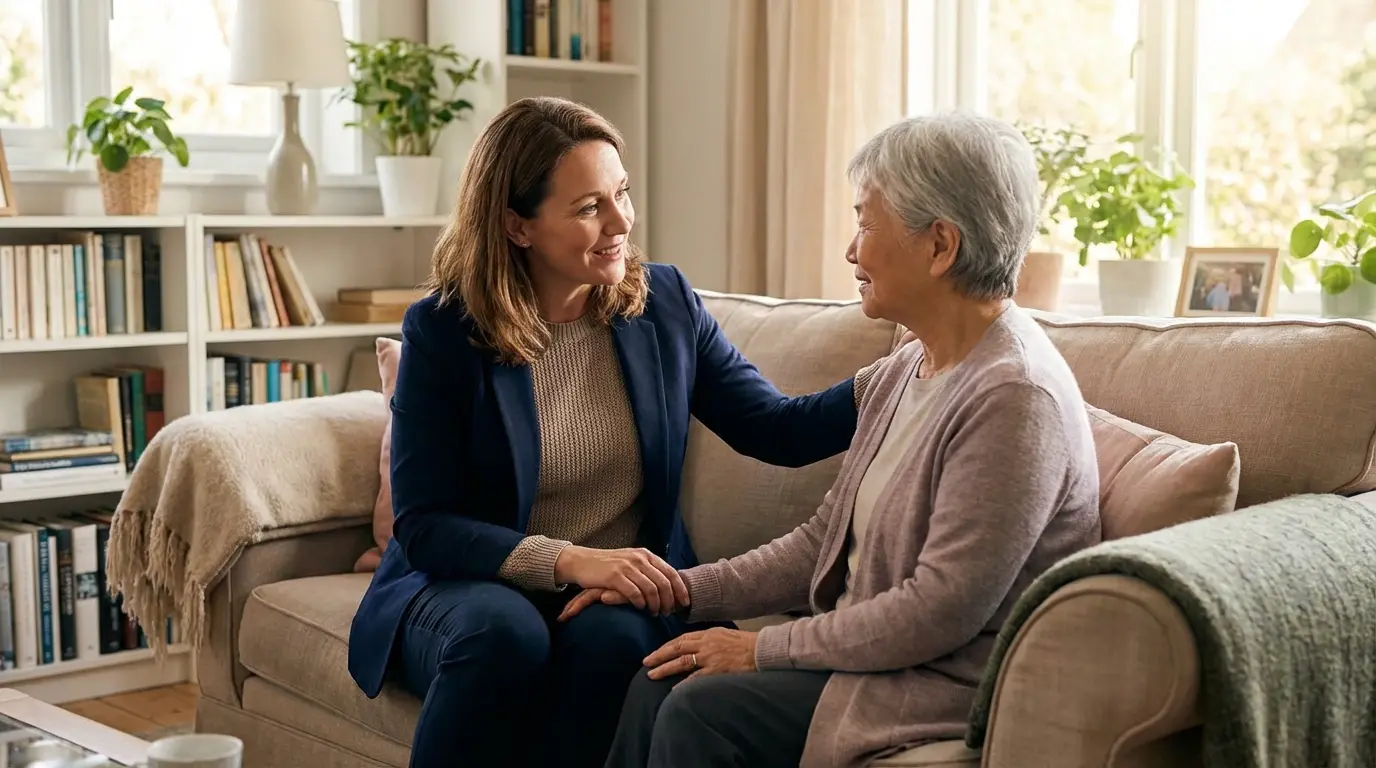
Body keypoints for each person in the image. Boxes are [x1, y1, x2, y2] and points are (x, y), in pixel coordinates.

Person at [346, 96, 879, 768]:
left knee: (618, 642)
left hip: (613, 588)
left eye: (621, 193)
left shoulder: (664, 303)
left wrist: (896, 374)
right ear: (517, 226)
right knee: (504, 634)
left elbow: (775, 429)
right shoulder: (446, 330)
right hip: (465, 582)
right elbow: (425, 524)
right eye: (589, 207)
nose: (621, 221)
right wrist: (570, 558)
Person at [600, 112, 1104, 768]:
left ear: (940, 245)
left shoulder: (1014, 396)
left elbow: (937, 613)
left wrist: (758, 649)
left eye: (866, 223)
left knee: (702, 709)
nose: (851, 250)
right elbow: (823, 540)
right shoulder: (908, 367)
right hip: (872, 661)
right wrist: (684, 590)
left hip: (944, 682)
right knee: (659, 677)